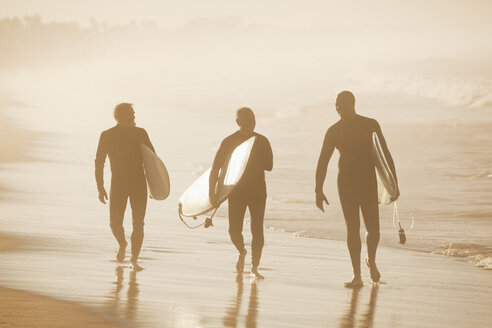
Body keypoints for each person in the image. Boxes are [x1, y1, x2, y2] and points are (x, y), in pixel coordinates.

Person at [315, 91, 399, 288]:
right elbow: (323, 161)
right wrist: (318, 190)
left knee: (374, 230)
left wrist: (393, 184)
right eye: (336, 104)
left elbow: (385, 154)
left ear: (352, 103)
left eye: (341, 104)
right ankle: (357, 274)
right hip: (346, 184)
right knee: (352, 229)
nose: (338, 108)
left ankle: (371, 260)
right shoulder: (334, 131)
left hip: (367, 182)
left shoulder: (370, 124)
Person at [209, 107, 273, 279]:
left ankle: (254, 267)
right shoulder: (229, 141)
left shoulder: (262, 141)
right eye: (246, 119)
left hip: (258, 191)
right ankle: (242, 251)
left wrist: (252, 159)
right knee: (233, 230)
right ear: (237, 122)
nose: (250, 121)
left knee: (257, 229)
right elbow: (216, 168)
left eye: (252, 118)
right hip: (236, 192)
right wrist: (212, 192)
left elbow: (270, 166)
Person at [95, 103, 155, 271]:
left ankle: (134, 259)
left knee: (138, 224)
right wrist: (100, 187)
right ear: (119, 116)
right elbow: (99, 162)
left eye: (134, 114)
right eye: (130, 114)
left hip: (139, 185)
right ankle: (122, 244)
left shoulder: (140, 133)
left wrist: (154, 187)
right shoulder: (107, 135)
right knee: (115, 223)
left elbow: (153, 161)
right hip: (118, 184)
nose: (133, 117)